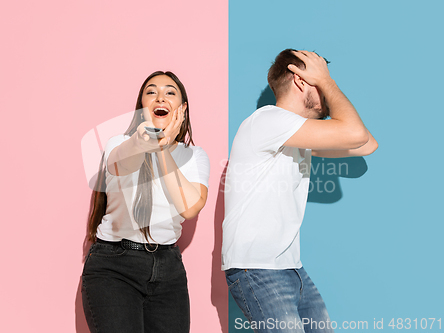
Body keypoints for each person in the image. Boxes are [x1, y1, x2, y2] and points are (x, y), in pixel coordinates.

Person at [222, 49, 378, 333]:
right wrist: (327, 83)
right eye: (320, 78)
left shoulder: (296, 136)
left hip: (290, 267)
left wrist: (325, 83)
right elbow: (355, 134)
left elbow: (366, 143)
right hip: (257, 268)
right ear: (300, 80)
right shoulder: (267, 121)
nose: (328, 86)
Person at [81, 71, 210, 333]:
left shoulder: (194, 156)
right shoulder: (121, 143)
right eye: (151, 92)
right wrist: (145, 142)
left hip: (168, 270)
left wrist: (163, 148)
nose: (160, 97)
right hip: (114, 267)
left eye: (170, 92)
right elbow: (121, 164)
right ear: (142, 107)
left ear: (182, 109)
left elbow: (190, 207)